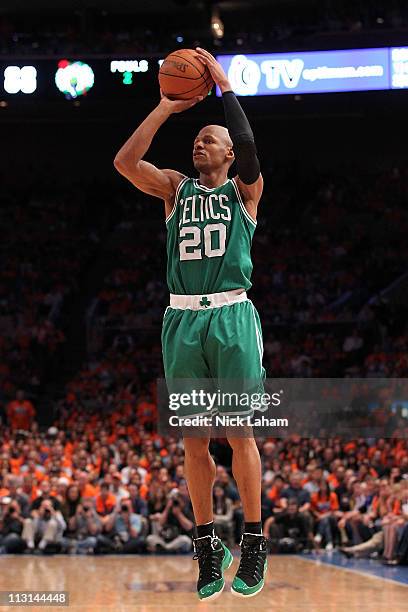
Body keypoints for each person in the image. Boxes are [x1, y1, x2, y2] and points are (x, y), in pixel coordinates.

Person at [114, 47, 267, 601]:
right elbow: (126, 164)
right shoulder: (175, 189)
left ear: (228, 154)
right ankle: (206, 546)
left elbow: (249, 146)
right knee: (193, 440)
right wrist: (164, 106)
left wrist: (224, 90)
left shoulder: (243, 191)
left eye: (211, 138)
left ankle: (253, 542)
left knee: (240, 432)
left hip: (231, 314)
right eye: (197, 138)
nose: (200, 142)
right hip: (182, 319)